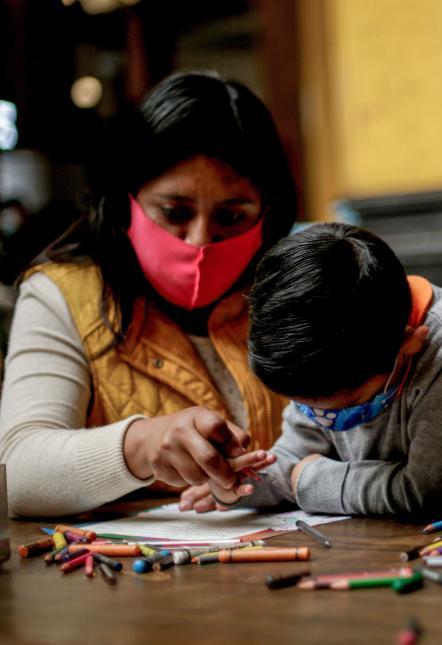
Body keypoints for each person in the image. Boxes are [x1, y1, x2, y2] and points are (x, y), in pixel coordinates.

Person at [0, 71, 296, 517]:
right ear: (126, 203)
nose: (200, 241)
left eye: (232, 217)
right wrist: (140, 445)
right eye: (174, 212)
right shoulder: (64, 297)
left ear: (268, 214)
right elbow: (18, 473)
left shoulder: (295, 290)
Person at [179, 223, 442, 516]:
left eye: (347, 406)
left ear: (408, 345)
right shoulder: (320, 355)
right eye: (309, 408)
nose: (323, 419)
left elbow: (436, 494)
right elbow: (294, 459)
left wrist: (308, 481)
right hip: (397, 534)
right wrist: (241, 484)